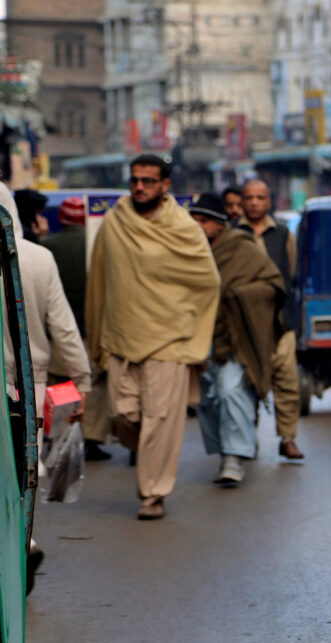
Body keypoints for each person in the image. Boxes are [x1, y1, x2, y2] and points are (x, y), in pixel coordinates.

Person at [85, 154, 220, 520]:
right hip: (120, 336)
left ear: (164, 185)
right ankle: (150, 455)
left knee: (161, 419)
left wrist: (188, 326)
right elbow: (98, 280)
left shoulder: (184, 228)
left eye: (147, 181)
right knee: (121, 415)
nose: (139, 187)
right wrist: (94, 338)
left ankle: (153, 495)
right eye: (134, 181)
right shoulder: (115, 222)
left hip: (170, 341)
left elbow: (207, 282)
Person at [0, 182, 91, 592]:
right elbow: (64, 328)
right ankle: (25, 541)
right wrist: (81, 380)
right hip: (32, 385)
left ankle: (18, 547)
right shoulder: (39, 258)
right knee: (24, 468)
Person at [191, 193, 284, 485]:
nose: (197, 226)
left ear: (219, 224)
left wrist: (240, 296)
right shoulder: (186, 250)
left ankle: (233, 460)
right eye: (194, 219)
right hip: (197, 337)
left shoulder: (242, 249)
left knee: (231, 390)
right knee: (208, 398)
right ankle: (227, 450)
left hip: (234, 337)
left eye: (204, 220)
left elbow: (274, 284)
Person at [233, 179, 304, 459]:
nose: (254, 203)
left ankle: (288, 438)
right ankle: (246, 438)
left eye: (260, 197)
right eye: (249, 197)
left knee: (287, 381)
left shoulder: (283, 235)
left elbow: (291, 272)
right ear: (242, 201)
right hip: (244, 324)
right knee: (247, 382)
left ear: (269, 201)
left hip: (279, 323)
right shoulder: (232, 234)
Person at [42, 196, 111, 461]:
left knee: (61, 383)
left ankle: (59, 434)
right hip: (93, 329)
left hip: (57, 331)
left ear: (61, 219)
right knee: (93, 384)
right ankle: (92, 438)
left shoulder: (47, 247)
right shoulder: (96, 246)